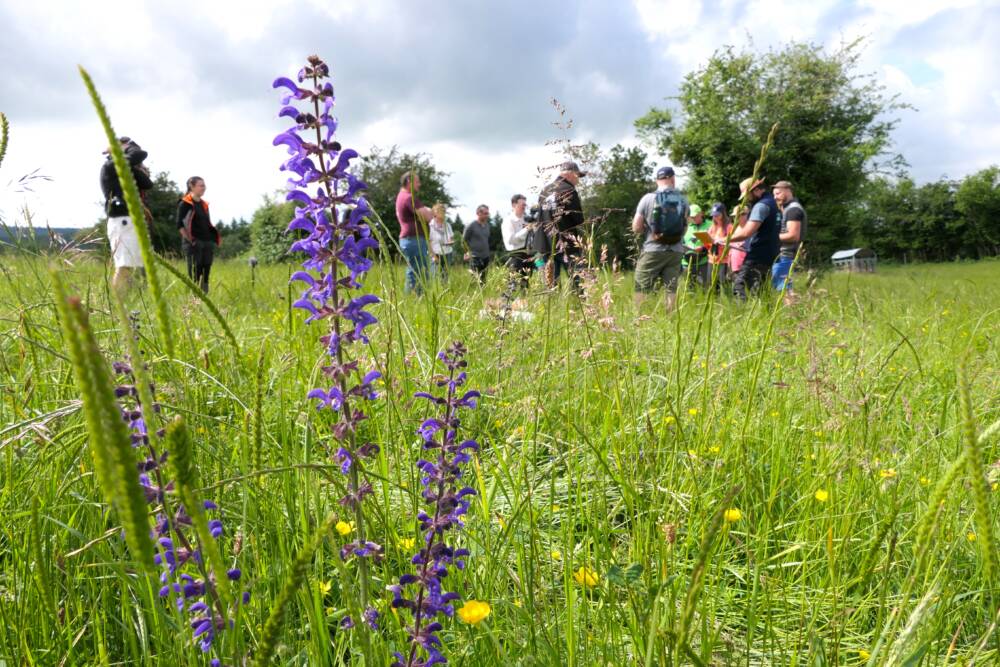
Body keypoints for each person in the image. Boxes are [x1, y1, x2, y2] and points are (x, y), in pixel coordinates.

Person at [100, 136, 154, 291]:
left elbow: (147, 183)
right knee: (124, 267)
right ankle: (117, 306)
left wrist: (137, 168)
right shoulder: (111, 166)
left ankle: (126, 305)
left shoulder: (125, 168)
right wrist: (125, 148)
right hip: (121, 220)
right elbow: (140, 153)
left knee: (131, 267)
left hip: (131, 220)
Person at [631, 166, 688, 311]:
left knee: (641, 285)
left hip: (653, 248)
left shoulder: (648, 198)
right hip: (675, 251)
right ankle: (670, 318)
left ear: (657, 180)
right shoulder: (683, 200)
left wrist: (649, 229)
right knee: (671, 288)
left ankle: (640, 319)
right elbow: (685, 227)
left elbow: (636, 227)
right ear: (672, 179)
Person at [715, 177, 780, 300]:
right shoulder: (773, 203)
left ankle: (743, 315)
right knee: (761, 291)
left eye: (747, 195)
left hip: (758, 254)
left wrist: (723, 240)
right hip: (771, 253)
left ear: (755, 190)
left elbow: (746, 233)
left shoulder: (761, 206)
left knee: (739, 286)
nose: (746, 199)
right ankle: (766, 315)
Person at [535, 161, 586, 291]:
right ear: (570, 174)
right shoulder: (569, 190)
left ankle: (554, 308)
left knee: (551, 286)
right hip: (566, 244)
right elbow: (579, 220)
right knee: (577, 284)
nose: (578, 180)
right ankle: (578, 307)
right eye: (577, 176)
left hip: (545, 244)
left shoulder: (544, 190)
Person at [176, 176, 221, 293]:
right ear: (192, 186)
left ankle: (205, 296)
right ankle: (194, 299)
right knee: (195, 272)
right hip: (193, 243)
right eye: (201, 185)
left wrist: (212, 239)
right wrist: (190, 241)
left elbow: (207, 223)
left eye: (204, 185)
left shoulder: (204, 204)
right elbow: (179, 225)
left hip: (207, 242)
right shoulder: (185, 203)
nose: (204, 188)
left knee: (206, 271)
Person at [396, 171, 434, 294]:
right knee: (420, 270)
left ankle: (412, 297)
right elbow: (428, 217)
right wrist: (431, 211)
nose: (420, 184)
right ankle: (418, 297)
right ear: (409, 182)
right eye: (417, 181)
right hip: (414, 240)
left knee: (413, 269)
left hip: (408, 239)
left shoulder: (401, 197)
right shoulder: (409, 197)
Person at [771, 180, 807, 299]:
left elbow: (793, 235)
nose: (775, 197)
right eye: (774, 194)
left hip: (786, 254)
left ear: (788, 191)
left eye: (778, 193)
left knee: (785, 289)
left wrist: (771, 237)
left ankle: (794, 314)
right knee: (783, 287)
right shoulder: (786, 208)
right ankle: (793, 314)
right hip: (783, 254)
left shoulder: (793, 210)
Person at [502, 194, 534, 291]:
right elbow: (511, 240)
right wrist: (526, 230)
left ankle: (524, 304)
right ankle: (507, 304)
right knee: (512, 284)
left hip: (528, 253)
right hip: (515, 255)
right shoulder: (508, 221)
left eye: (525, 205)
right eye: (522, 205)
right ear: (514, 205)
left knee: (526, 283)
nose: (525, 207)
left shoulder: (528, 219)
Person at [682, 203, 712, 288]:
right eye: (691, 217)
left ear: (701, 213)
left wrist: (703, 248)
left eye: (695, 216)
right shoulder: (686, 226)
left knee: (705, 286)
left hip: (703, 261)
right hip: (687, 261)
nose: (693, 218)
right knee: (688, 288)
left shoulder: (710, 225)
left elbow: (714, 241)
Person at [463, 204, 492, 286]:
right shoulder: (471, 225)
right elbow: (464, 241)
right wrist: (466, 253)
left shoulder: (487, 226)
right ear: (478, 213)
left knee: (483, 281)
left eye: (487, 213)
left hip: (486, 257)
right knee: (474, 280)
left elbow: (486, 240)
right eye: (485, 213)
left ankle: (483, 297)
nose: (487, 215)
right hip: (474, 256)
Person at [706, 202, 735, 285]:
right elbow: (708, 244)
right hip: (711, 259)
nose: (715, 217)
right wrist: (706, 241)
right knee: (710, 284)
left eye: (717, 215)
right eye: (714, 215)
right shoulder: (712, 227)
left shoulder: (729, 227)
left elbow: (732, 243)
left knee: (722, 285)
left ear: (723, 214)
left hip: (723, 260)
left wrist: (721, 241)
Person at [428, 203, 455, 281]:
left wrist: (451, 241)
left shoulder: (448, 225)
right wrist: (433, 256)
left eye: (444, 211)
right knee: (435, 277)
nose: (443, 213)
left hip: (448, 253)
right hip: (435, 254)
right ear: (435, 213)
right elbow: (428, 242)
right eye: (441, 211)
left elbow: (451, 237)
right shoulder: (430, 225)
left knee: (446, 277)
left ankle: (445, 290)